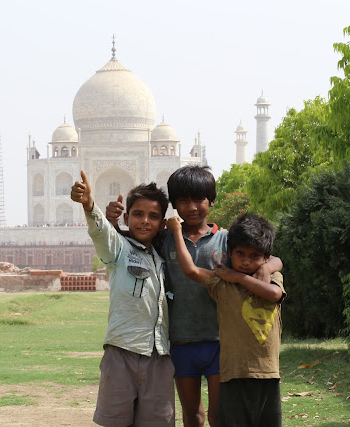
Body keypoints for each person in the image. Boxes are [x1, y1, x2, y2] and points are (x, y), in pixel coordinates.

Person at [105, 165, 282, 427]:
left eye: (199, 200)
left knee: (218, 415)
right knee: (192, 415)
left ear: (211, 200)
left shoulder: (226, 240)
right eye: (183, 201)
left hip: (220, 340)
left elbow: (270, 256)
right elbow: (128, 240)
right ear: (174, 205)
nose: (192, 207)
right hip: (181, 339)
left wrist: (267, 267)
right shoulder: (165, 238)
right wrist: (112, 221)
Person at [71, 170, 175, 427]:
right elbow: (102, 233)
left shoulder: (165, 260)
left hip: (159, 356)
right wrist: (89, 205)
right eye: (138, 214)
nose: (145, 222)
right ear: (126, 217)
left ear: (162, 223)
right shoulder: (120, 250)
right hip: (121, 353)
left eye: (153, 216)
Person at [167, 212, 285, 426]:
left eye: (254, 256)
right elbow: (191, 271)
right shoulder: (221, 283)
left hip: (268, 374)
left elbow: (275, 295)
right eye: (240, 254)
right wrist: (176, 232)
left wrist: (240, 276)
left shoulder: (271, 278)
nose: (246, 261)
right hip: (232, 373)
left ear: (266, 257)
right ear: (230, 252)